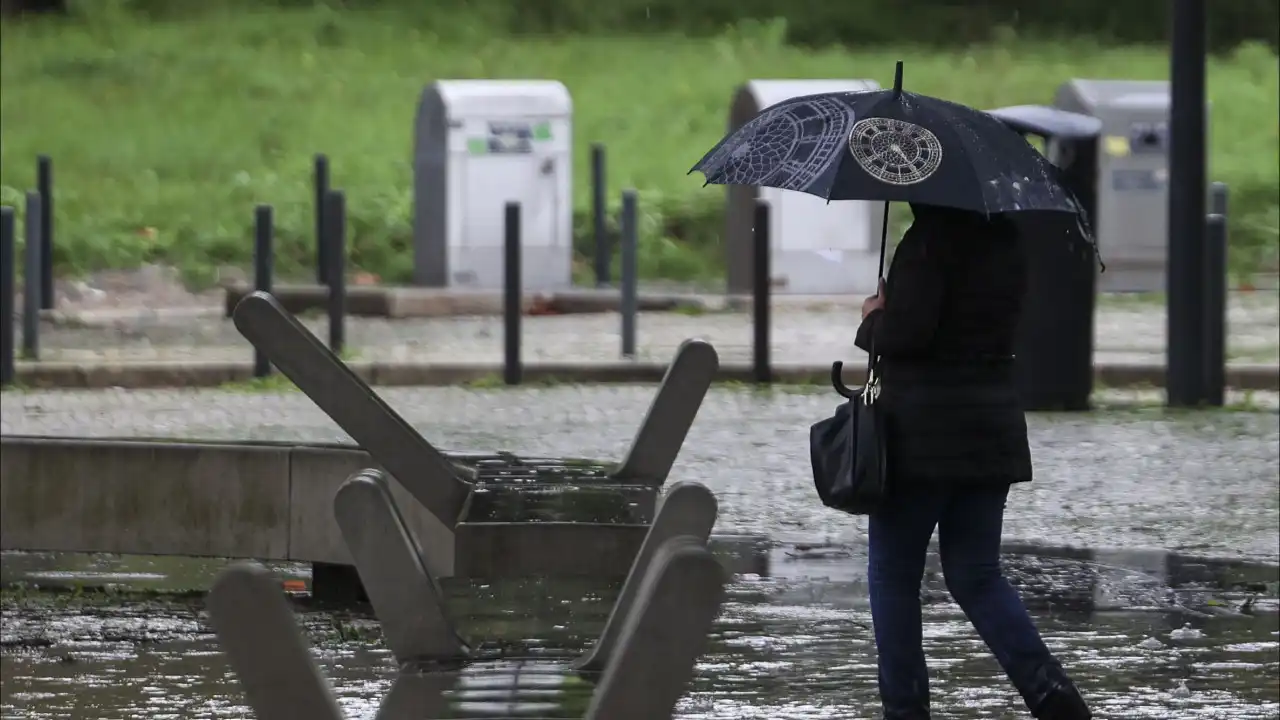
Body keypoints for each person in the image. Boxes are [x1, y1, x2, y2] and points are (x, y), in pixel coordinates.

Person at [853, 203, 1092, 720]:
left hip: (921, 439)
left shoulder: (927, 244)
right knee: (976, 575)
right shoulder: (1005, 240)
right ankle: (1053, 696)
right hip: (990, 431)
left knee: (893, 575)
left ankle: (905, 708)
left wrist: (874, 320)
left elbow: (908, 336)